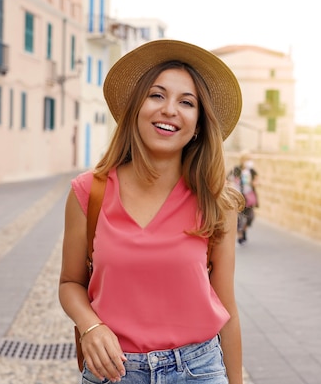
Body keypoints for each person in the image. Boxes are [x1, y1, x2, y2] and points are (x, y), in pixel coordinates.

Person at [59, 39, 244, 384]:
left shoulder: (216, 203)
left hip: (198, 371)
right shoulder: (89, 192)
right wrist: (91, 326)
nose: (170, 110)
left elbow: (227, 308)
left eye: (186, 102)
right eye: (156, 95)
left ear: (199, 125)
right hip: (114, 373)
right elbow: (71, 283)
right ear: (135, 109)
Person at [230, 151, 259, 245]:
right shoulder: (237, 169)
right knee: (238, 217)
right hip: (238, 197)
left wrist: (254, 182)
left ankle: (244, 230)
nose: (249, 161)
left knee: (250, 217)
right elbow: (228, 178)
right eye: (247, 159)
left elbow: (256, 181)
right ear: (242, 160)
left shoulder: (252, 171)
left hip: (248, 197)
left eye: (250, 159)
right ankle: (240, 235)